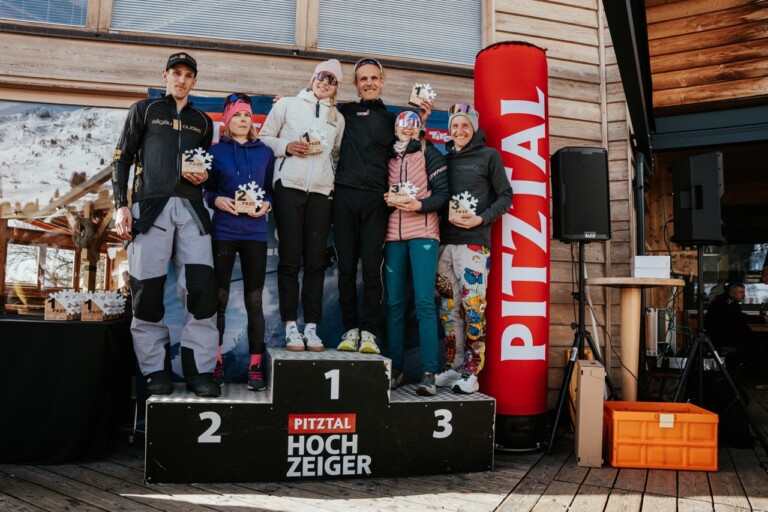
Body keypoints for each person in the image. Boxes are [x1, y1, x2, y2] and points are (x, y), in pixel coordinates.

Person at [112, 52, 220, 398]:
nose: (182, 79)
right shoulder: (143, 111)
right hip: (149, 209)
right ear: (165, 76)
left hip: (191, 210)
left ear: (194, 81)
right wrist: (121, 205)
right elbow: (122, 159)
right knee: (147, 292)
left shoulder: (203, 122)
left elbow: (204, 167)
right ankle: (155, 370)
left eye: (188, 75)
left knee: (201, 291)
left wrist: (204, 177)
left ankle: (199, 371)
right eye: (176, 73)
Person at [334, 57, 432, 354]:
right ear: (356, 84)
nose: (369, 83)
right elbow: (318, 118)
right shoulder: (344, 112)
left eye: (374, 78)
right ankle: (350, 330)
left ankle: (369, 333)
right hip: (345, 196)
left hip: (377, 200)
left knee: (372, 270)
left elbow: (411, 147)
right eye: (363, 79)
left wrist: (421, 122)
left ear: (382, 81)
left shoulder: (392, 120)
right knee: (346, 269)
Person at [259, 60, 345, 352]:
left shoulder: (338, 119)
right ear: (313, 77)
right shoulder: (287, 104)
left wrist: (329, 180)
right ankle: (290, 327)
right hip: (289, 188)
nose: (325, 82)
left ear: (336, 87)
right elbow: (263, 139)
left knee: (316, 262)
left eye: (332, 79)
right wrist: (286, 147)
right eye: (322, 75)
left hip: (321, 193)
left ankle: (311, 327)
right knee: (290, 260)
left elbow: (335, 156)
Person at [434, 103, 513, 394]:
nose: (459, 131)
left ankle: (472, 371)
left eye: (465, 125)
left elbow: (506, 196)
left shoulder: (489, 156)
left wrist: (482, 218)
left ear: (474, 128)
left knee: (473, 309)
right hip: (445, 245)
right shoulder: (444, 160)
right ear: (449, 129)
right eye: (455, 126)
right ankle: (453, 366)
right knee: (448, 309)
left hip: (473, 246)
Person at [205, 93, 274, 391]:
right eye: (237, 115)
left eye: (247, 115)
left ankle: (255, 367)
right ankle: (216, 361)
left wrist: (267, 204)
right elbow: (206, 190)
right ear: (227, 121)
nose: (243, 120)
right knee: (219, 300)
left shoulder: (265, 153)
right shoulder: (215, 152)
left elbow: (269, 190)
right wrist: (216, 200)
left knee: (254, 301)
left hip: (255, 234)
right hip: (224, 231)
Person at [384, 110, 448, 396]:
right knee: (394, 303)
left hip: (423, 233)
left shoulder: (428, 153)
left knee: (424, 302)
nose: (407, 130)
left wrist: (419, 206)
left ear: (420, 129)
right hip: (392, 236)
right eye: (403, 126)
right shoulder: (387, 157)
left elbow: (443, 195)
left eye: (413, 125)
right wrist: (385, 199)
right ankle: (395, 369)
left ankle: (429, 372)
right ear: (395, 130)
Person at [704, 281, 766, 371]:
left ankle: (738, 367)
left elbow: (738, 317)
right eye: (740, 292)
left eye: (743, 292)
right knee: (753, 341)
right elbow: (740, 318)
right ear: (732, 293)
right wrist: (762, 319)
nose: (744, 295)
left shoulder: (724, 300)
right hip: (719, 337)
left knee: (751, 338)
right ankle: (735, 367)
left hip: (718, 335)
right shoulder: (728, 302)